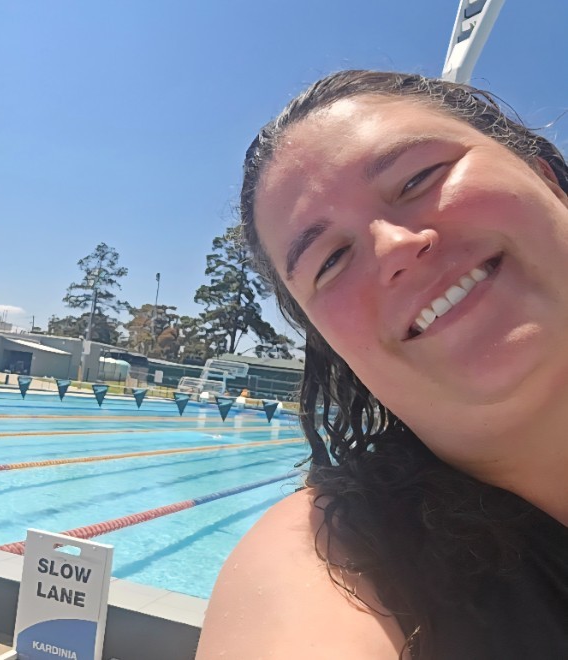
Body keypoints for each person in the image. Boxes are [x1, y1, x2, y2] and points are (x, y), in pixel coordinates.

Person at [196, 70, 568, 659]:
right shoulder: (336, 562)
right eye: (331, 260)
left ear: (545, 177)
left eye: (420, 177)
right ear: (330, 344)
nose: (395, 246)